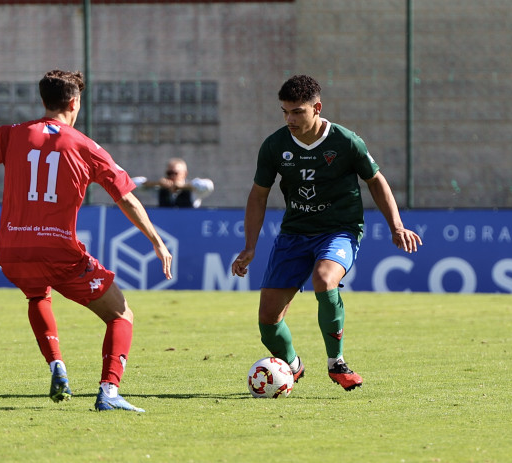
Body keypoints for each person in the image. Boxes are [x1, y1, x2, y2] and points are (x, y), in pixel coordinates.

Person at [0, 70, 172, 412]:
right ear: (74, 102)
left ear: (43, 101)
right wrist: (156, 240)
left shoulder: (12, 135)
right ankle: (109, 393)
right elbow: (126, 198)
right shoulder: (87, 147)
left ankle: (57, 367)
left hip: (12, 250)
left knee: (37, 294)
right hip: (58, 251)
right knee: (121, 314)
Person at [231, 75, 422, 391]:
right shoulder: (275, 145)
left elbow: (375, 180)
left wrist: (396, 225)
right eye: (285, 112)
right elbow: (258, 195)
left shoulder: (346, 142)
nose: (290, 119)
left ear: (316, 108)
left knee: (324, 278)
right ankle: (292, 366)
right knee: (268, 323)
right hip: (294, 234)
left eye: (297, 112)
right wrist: (250, 246)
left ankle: (337, 362)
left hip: (339, 230)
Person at [133, 158, 214, 208]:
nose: (172, 176)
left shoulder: (193, 190)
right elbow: (133, 183)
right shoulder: (160, 189)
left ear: (185, 174)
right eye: (169, 173)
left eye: (175, 173)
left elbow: (208, 186)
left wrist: (183, 186)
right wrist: (156, 183)